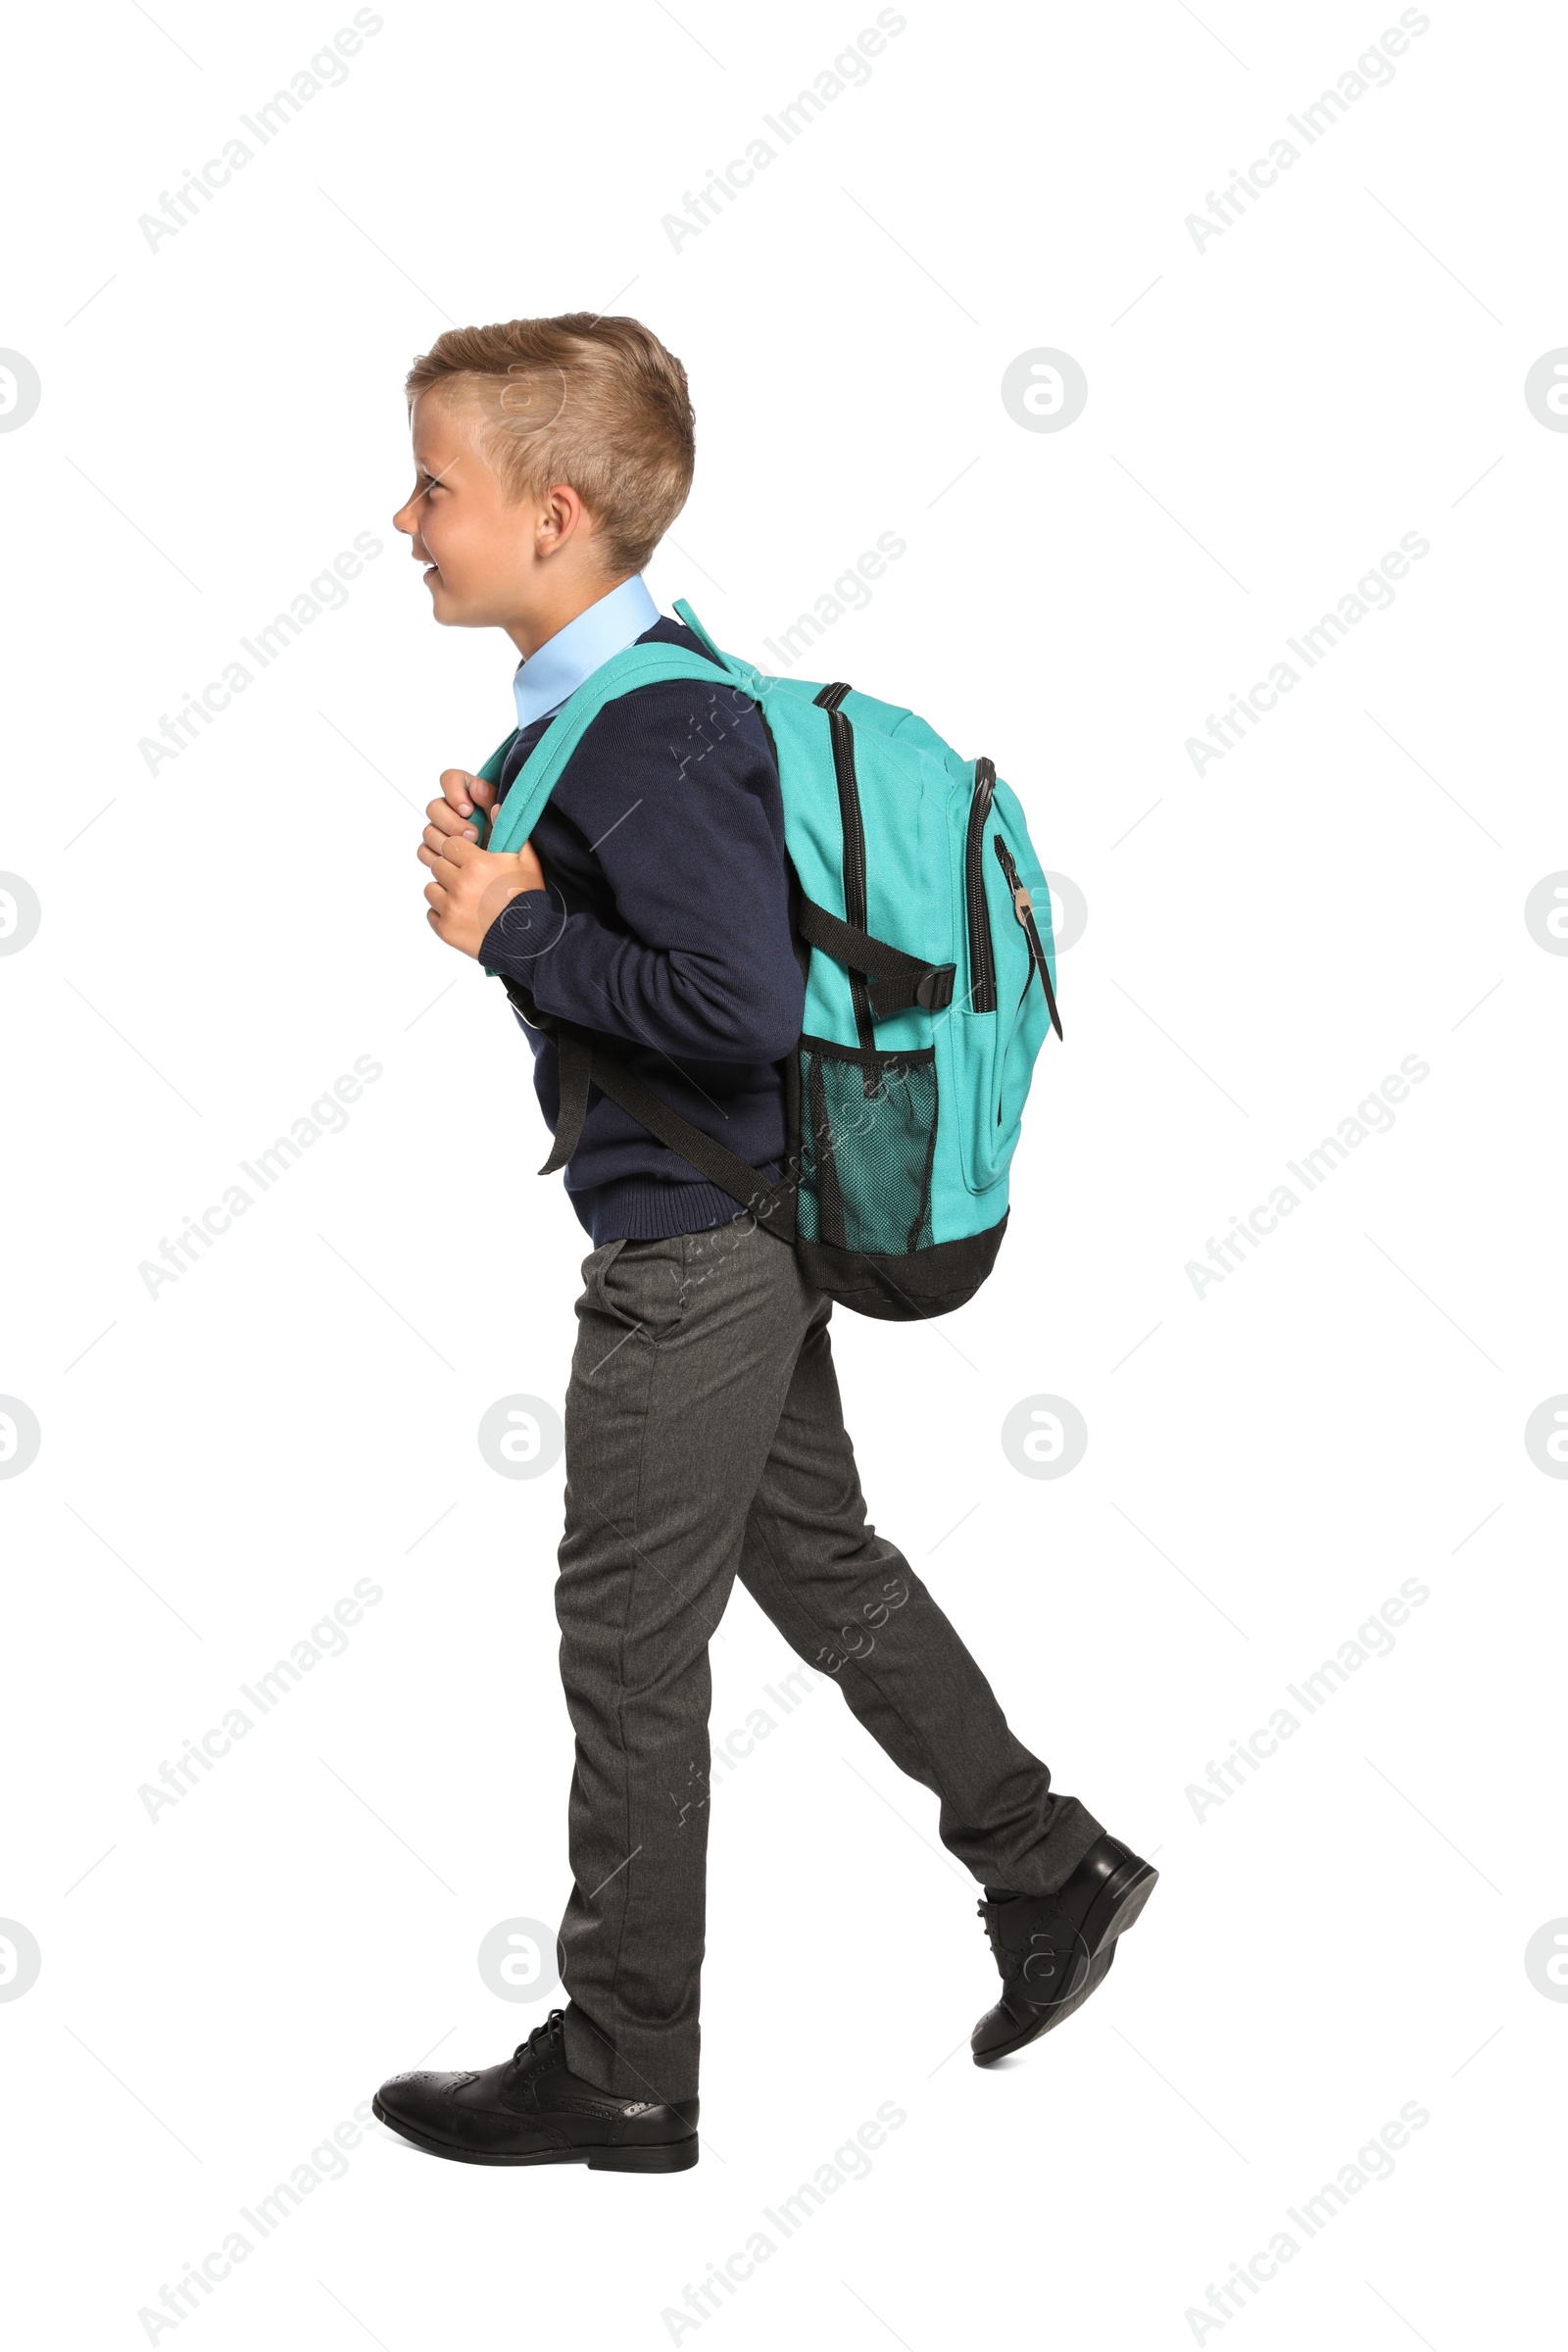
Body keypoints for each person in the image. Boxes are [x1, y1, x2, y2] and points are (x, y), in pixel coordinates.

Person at [371, 315, 1156, 2173]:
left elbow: (727, 1006)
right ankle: (1050, 1867)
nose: (403, 521)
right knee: (815, 1562)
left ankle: (628, 2063)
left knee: (628, 1642)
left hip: (692, 1261)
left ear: (553, 516)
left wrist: (512, 931)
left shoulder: (651, 723)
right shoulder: (627, 707)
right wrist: (535, 881)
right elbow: (702, 962)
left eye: (434, 488)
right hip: (751, 1227)